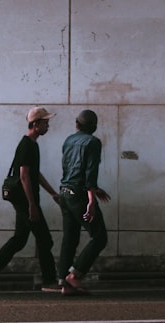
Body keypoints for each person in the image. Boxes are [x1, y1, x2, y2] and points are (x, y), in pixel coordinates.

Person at [0, 107, 61, 292]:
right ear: (36, 124)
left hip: (26, 200)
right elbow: (24, 176)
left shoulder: (32, 144)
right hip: (25, 201)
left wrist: (52, 193)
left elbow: (35, 174)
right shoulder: (26, 145)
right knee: (45, 240)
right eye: (45, 122)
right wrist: (32, 205)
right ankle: (49, 282)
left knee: (19, 239)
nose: (48, 125)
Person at [57, 109, 111, 295]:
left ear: (76, 124)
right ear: (94, 127)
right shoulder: (93, 142)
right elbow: (90, 171)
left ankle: (64, 281)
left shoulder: (68, 140)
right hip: (79, 195)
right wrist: (91, 200)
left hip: (64, 192)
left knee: (69, 238)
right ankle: (75, 275)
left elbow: (69, 168)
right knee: (99, 236)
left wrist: (94, 189)